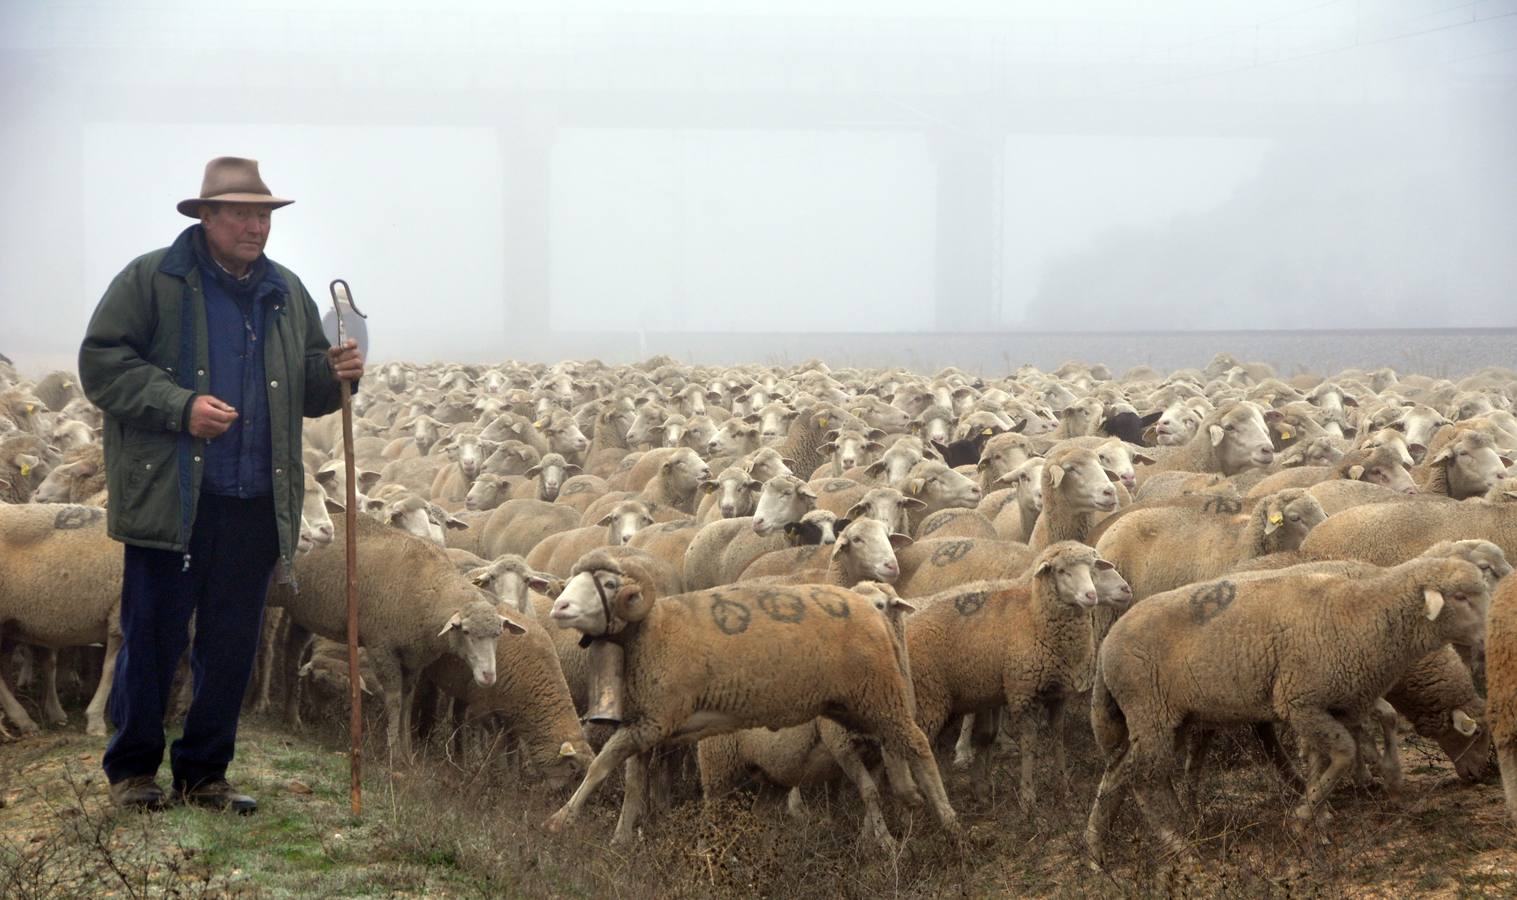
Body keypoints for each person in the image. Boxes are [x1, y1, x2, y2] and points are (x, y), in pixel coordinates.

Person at [78, 157, 363, 814]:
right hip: (175, 500)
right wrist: (181, 407)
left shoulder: (286, 292)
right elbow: (103, 364)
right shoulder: (153, 280)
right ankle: (133, 773)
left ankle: (204, 775)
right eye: (239, 212)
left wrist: (340, 372)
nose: (254, 225)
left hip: (256, 502)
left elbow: (312, 394)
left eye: (263, 214)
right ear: (205, 216)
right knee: (153, 638)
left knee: (232, 646)